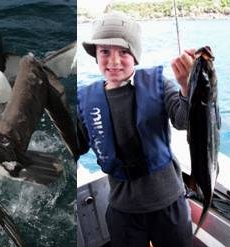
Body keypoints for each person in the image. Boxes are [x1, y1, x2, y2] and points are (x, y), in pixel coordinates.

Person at [77, 12, 194, 247]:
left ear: (136, 55)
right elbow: (76, 144)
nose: (114, 61)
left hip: (169, 203)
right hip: (123, 210)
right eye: (105, 52)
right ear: (95, 55)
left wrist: (186, 85)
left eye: (124, 51)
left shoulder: (160, 84)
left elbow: (184, 121)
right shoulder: (84, 101)